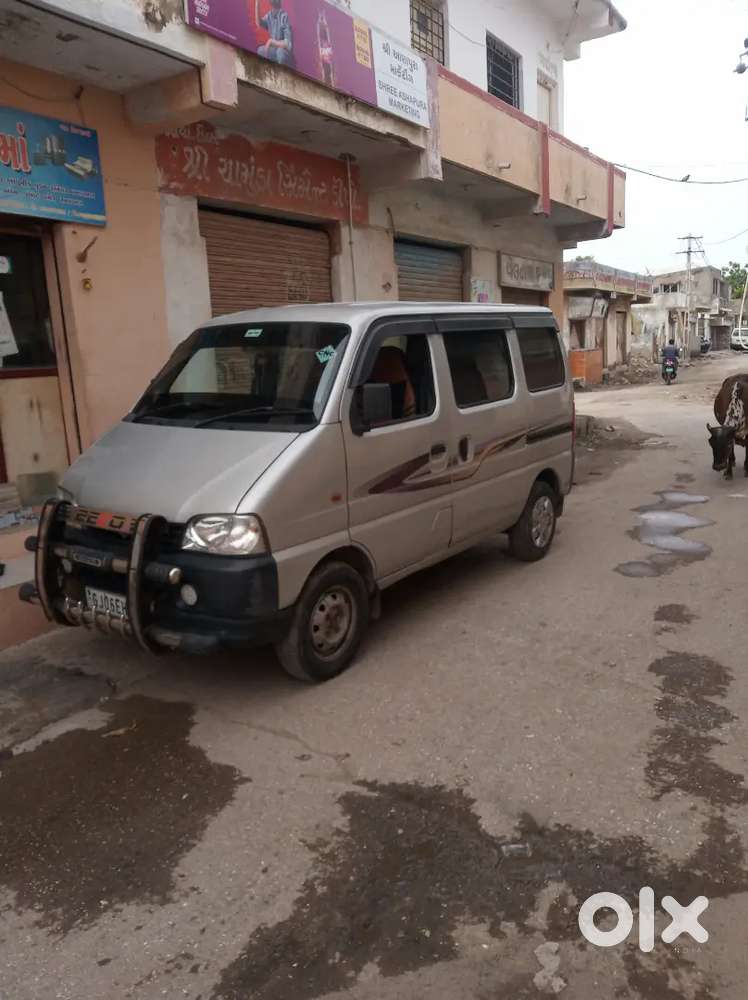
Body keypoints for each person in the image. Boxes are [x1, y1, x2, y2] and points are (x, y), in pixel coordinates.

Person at [255, 0, 295, 67]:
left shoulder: (284, 16)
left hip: (283, 51)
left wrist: (272, 42)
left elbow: (288, 44)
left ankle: (281, 71)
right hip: (274, 49)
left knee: (280, 53)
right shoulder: (269, 15)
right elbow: (259, 23)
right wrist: (257, 4)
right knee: (260, 50)